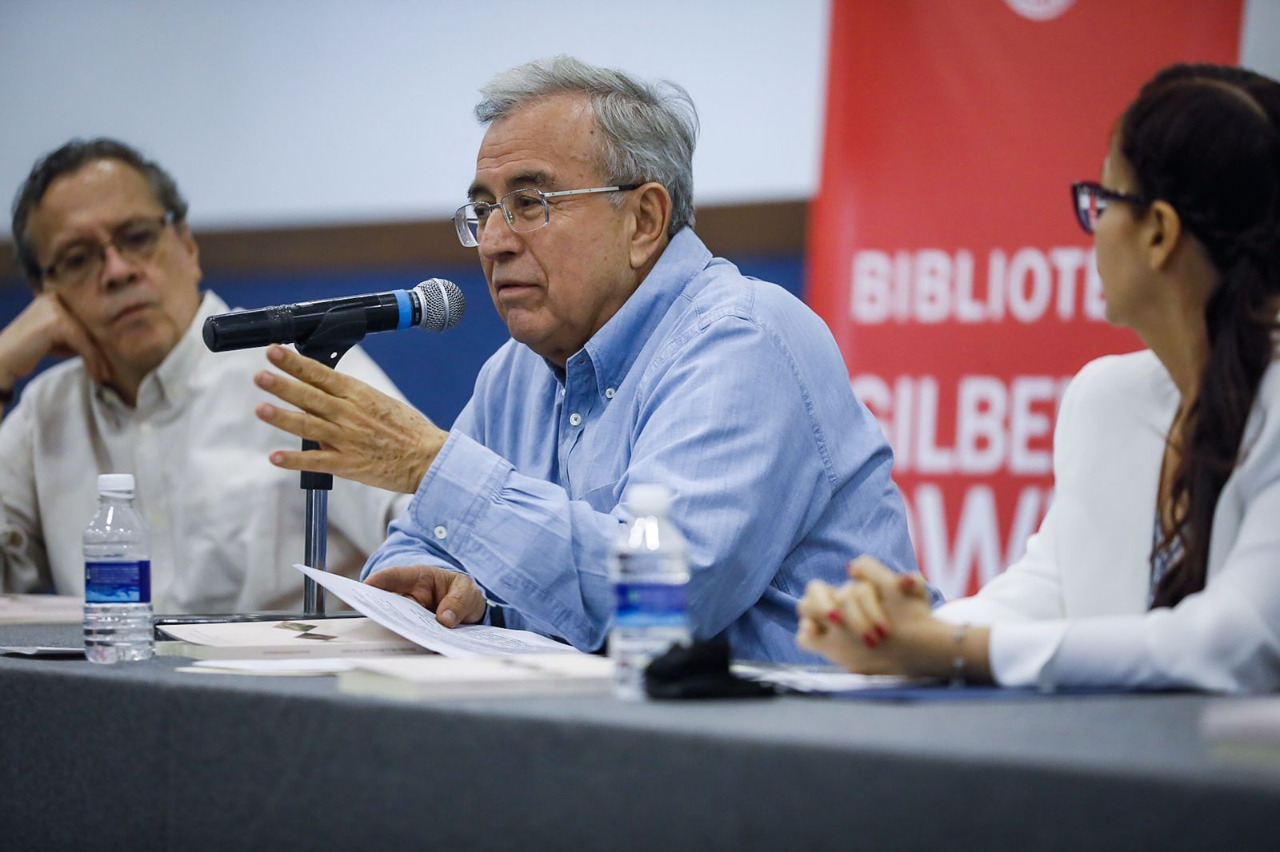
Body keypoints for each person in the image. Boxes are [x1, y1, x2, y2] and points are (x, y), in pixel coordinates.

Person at [252, 55, 927, 662]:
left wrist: (433, 466)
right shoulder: (515, 372)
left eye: (529, 203)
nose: (493, 241)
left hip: (802, 739)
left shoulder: (740, 340)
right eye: (483, 210)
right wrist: (439, 585)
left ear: (643, 221)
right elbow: (420, 545)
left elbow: (666, 603)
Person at [797, 63, 1280, 692]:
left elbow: (1239, 642)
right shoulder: (1107, 400)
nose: (1094, 229)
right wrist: (894, 631)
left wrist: (945, 648)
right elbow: (1048, 591)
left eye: (1103, 200)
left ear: (1159, 233)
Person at [0, 138, 410, 613]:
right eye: (77, 258)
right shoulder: (46, 412)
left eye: (137, 237)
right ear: (44, 292)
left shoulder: (300, 371)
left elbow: (425, 528)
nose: (117, 271)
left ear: (188, 245)